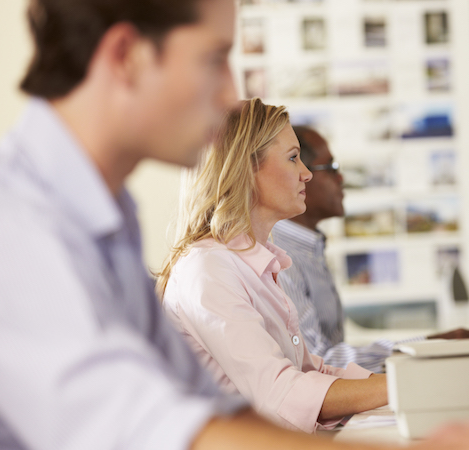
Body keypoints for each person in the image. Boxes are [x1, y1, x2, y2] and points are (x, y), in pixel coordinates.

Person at [0, 0, 469, 450]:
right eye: (214, 57)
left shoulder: (102, 220)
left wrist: (444, 438)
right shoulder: (18, 230)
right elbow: (157, 449)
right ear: (126, 54)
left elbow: (218, 416)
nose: (230, 94)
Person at [157, 99, 387, 433]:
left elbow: (311, 373)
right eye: (293, 159)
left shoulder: (254, 262)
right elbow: (280, 394)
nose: (306, 173)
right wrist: (399, 387)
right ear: (245, 168)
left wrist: (402, 382)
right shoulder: (208, 269)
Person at [272, 125, 469, 373]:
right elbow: (318, 361)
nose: (341, 178)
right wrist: (426, 347)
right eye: (330, 168)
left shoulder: (309, 248)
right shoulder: (281, 257)